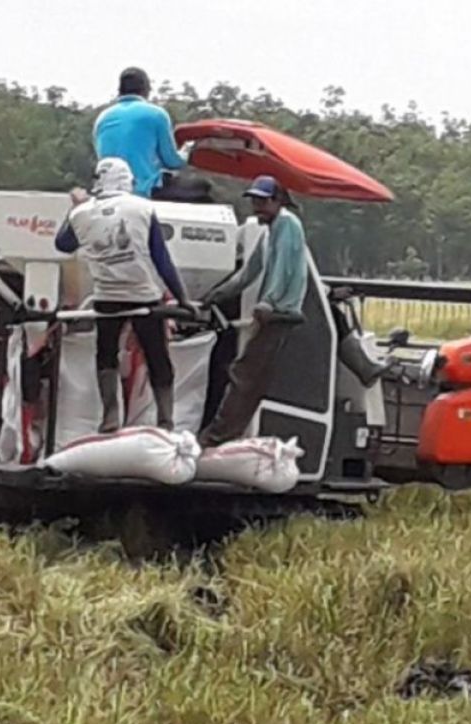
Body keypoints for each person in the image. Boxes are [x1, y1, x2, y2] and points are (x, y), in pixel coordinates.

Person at [54, 157, 195, 433]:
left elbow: (62, 244)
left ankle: (110, 416)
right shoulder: (142, 208)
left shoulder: (81, 213)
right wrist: (183, 298)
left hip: (107, 296)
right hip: (143, 296)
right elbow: (161, 259)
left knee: (106, 354)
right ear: (127, 180)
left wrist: (75, 208)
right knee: (157, 356)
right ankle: (166, 421)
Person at [196, 175, 309, 447]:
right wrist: (215, 295)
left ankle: (216, 436)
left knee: (244, 375)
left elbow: (284, 268)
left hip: (280, 312)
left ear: (277, 201)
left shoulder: (287, 225)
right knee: (250, 376)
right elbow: (249, 272)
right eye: (254, 201)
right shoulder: (269, 232)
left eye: (262, 201)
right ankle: (224, 433)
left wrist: (267, 302)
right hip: (273, 310)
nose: (256, 207)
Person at [93, 67, 211, 202]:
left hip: (108, 190)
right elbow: (172, 162)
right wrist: (187, 151)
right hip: (145, 189)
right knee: (203, 187)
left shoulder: (102, 118)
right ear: (146, 89)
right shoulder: (156, 114)